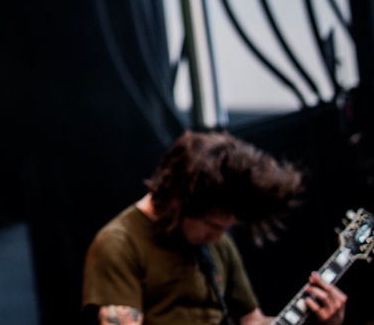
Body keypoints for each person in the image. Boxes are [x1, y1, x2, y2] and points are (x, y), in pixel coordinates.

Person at [83, 130, 348, 325]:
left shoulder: (216, 243)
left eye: (227, 227)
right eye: (213, 225)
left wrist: (322, 322)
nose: (219, 236)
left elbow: (252, 321)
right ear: (180, 202)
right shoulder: (120, 243)